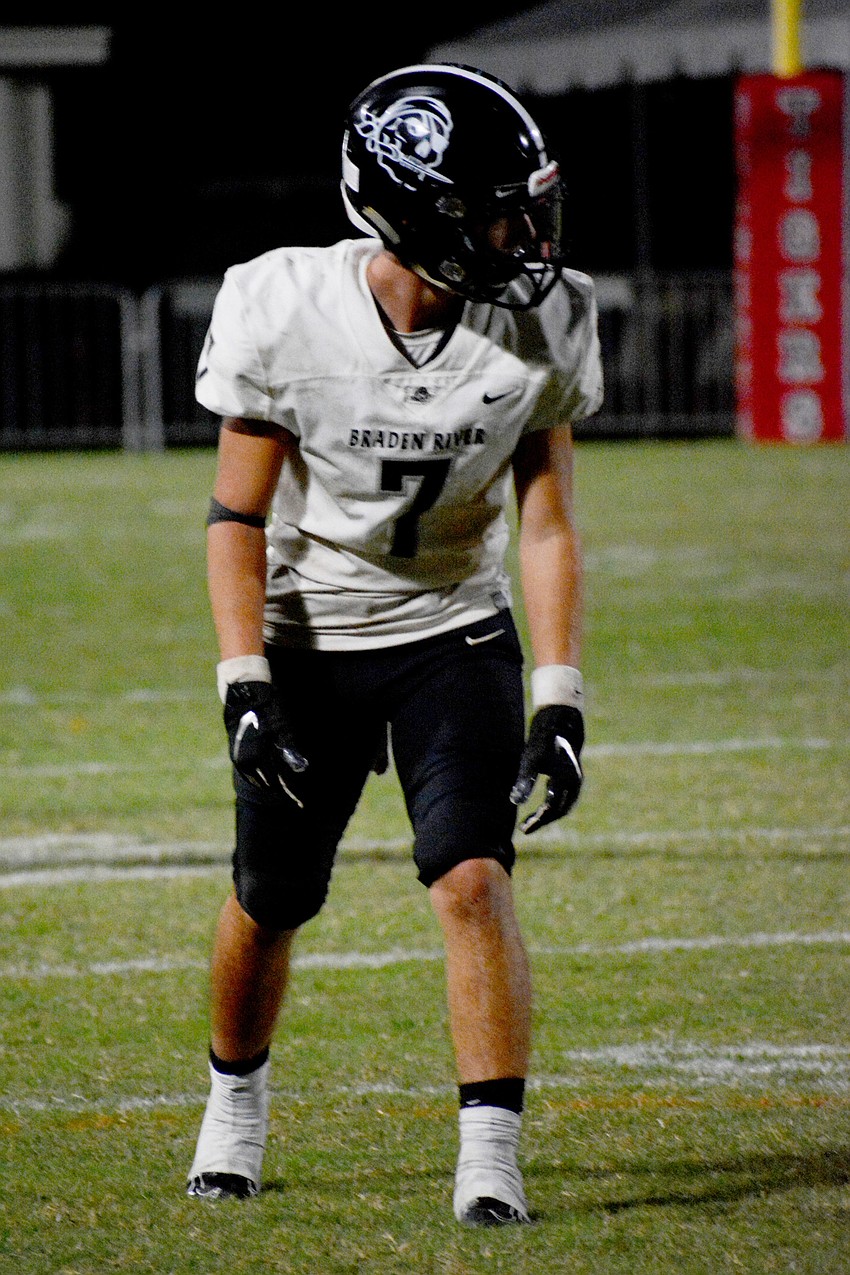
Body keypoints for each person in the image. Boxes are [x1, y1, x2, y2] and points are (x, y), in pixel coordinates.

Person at [186, 62, 602, 1226]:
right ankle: (235, 1105)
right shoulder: (282, 304)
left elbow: (548, 518)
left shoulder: (545, 318)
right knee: (271, 894)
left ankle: (489, 1157)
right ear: (412, 212)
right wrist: (244, 687)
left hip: (452, 635)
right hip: (308, 632)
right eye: (494, 210)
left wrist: (559, 701)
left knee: (472, 876)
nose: (523, 233)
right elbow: (236, 518)